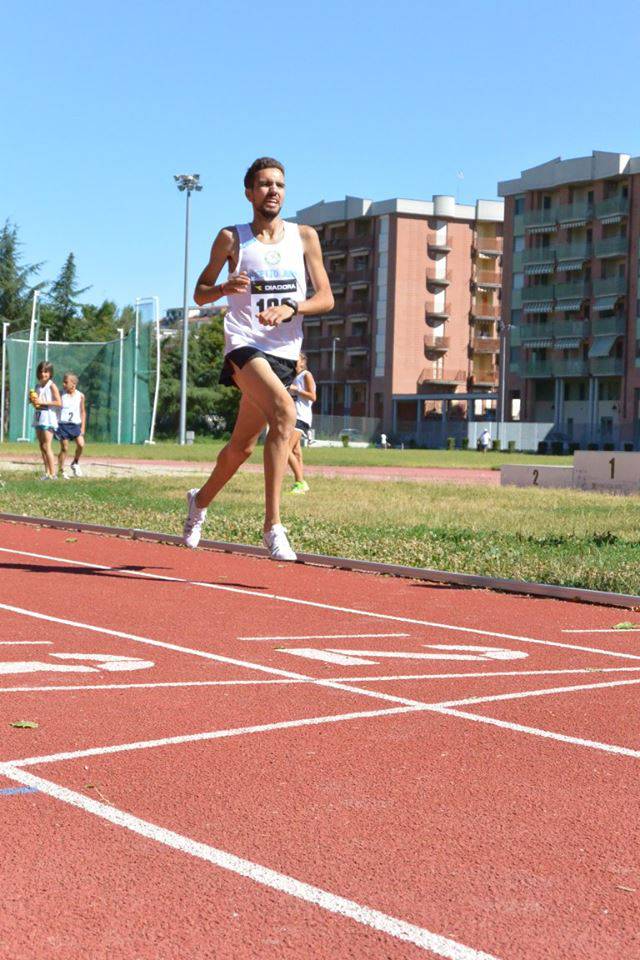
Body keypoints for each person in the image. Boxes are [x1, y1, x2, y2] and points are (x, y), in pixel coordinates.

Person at [182, 157, 333, 560]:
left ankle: (199, 501)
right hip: (244, 345)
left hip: (284, 352)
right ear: (249, 192)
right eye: (265, 184)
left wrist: (291, 308)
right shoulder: (232, 238)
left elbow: (326, 298)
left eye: (279, 184)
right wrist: (222, 289)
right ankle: (273, 526)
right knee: (285, 413)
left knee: (240, 448)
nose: (273, 191)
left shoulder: (304, 237)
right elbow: (199, 292)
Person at [287, 352, 316, 494]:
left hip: (301, 417)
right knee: (296, 452)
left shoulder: (306, 375)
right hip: (293, 417)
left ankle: (300, 482)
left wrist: (296, 390)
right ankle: (300, 482)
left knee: (285, 449)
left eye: (296, 357)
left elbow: (313, 396)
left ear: (303, 361)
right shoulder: (294, 377)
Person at [31, 361, 61, 480]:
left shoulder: (51, 385)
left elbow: (59, 402)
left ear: (50, 373)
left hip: (48, 417)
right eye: (41, 371)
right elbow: (37, 403)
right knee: (42, 446)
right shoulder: (38, 386)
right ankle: (47, 472)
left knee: (47, 445)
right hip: (39, 416)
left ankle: (53, 474)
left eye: (46, 372)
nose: (43, 374)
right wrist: (33, 401)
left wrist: (42, 402)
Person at [56, 372, 86, 478]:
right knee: (64, 448)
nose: (63, 384)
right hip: (63, 425)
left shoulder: (80, 396)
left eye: (66, 382)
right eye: (63, 382)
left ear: (73, 384)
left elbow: (83, 412)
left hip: (75, 425)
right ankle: (61, 470)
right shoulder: (60, 394)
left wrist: (82, 427)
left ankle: (75, 463)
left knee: (81, 444)